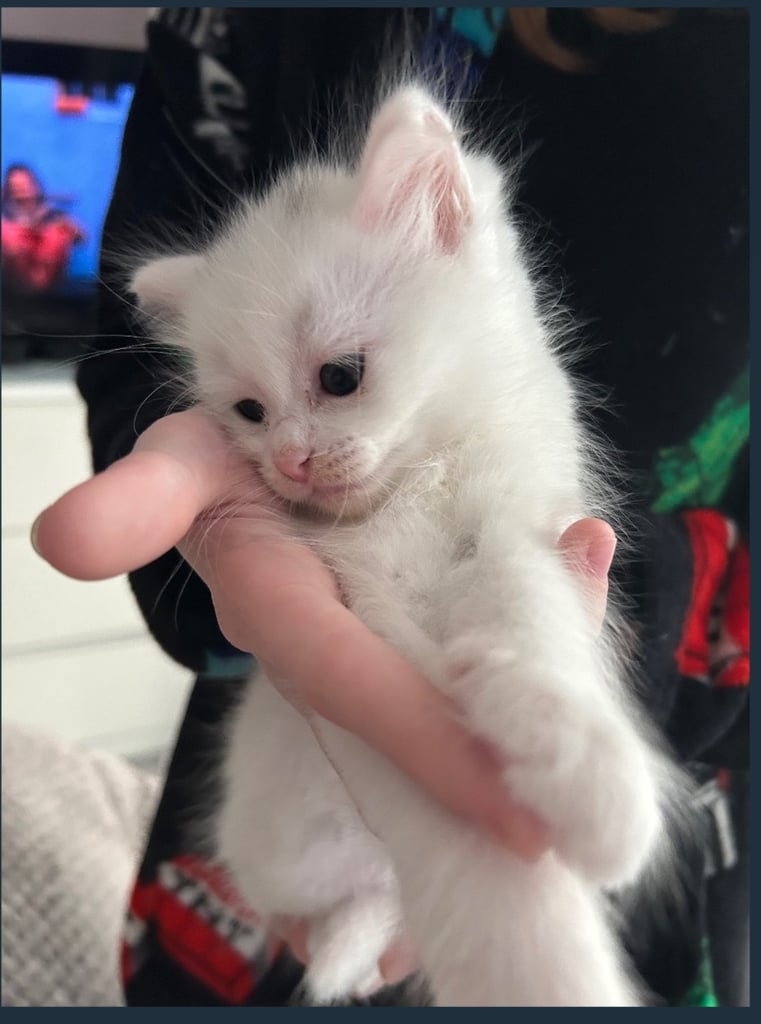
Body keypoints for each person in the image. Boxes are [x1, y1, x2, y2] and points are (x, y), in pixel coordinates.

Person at [32, 7, 748, 1007]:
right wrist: (205, 519)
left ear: (452, 231)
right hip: (269, 841)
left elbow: (514, 544)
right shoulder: (227, 29)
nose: (289, 452)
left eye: (337, 374)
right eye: (247, 409)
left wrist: (589, 654)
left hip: (705, 714)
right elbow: (125, 374)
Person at [1, 164, 86, 293]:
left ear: (35, 187)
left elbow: (81, 237)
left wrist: (68, 228)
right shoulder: (5, 218)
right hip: (13, 290)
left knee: (56, 234)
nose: (21, 193)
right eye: (15, 189)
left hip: (52, 288)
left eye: (25, 187)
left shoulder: (53, 215)